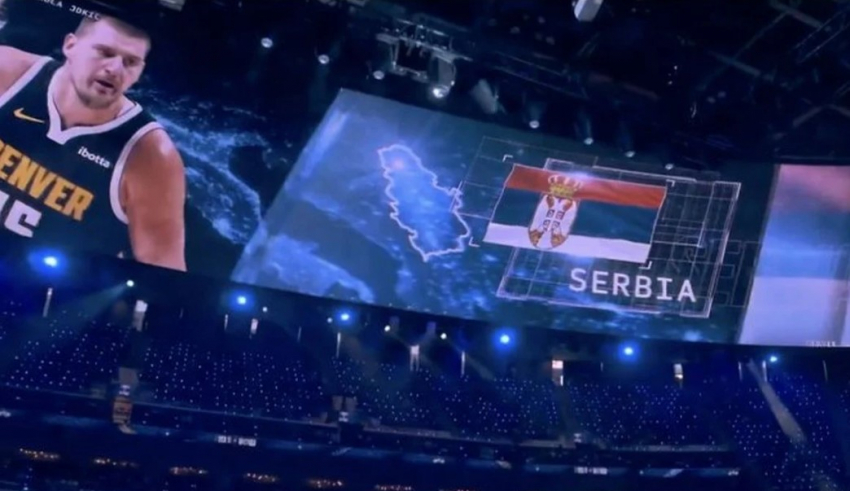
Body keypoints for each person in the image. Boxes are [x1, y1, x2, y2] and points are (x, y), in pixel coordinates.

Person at [0, 14, 186, 271]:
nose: (115, 69)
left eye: (130, 62)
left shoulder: (151, 156)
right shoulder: (7, 72)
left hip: (44, 289)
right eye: (105, 52)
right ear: (70, 46)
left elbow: (166, 274)